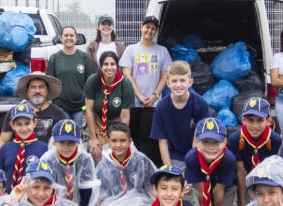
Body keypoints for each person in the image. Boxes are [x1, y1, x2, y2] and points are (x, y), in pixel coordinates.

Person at [120, 15, 171, 166]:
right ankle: (132, 169)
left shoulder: (162, 51)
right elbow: (126, 74)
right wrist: (140, 95)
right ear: (141, 28)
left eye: (153, 28)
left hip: (153, 104)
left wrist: (154, 95)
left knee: (148, 140)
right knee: (132, 138)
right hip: (134, 102)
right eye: (147, 27)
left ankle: (149, 171)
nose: (149, 30)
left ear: (156, 31)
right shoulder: (131, 49)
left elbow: (164, 77)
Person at [183, 117, 236, 206]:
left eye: (216, 142)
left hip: (225, 188)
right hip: (201, 188)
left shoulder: (228, 159)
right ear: (196, 141)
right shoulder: (191, 158)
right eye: (205, 142)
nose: (211, 148)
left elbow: (219, 191)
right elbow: (200, 191)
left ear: (225, 142)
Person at [150, 61, 209, 169]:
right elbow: (162, 142)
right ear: (168, 83)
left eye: (182, 80)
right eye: (174, 81)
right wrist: (169, 169)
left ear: (190, 82)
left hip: (197, 152)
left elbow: (198, 138)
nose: (178, 85)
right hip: (174, 156)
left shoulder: (200, 104)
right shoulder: (161, 107)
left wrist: (193, 164)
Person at [229, 97, 283, 206]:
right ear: (243, 120)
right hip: (245, 176)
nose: (255, 125)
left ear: (268, 121)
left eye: (260, 120)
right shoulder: (235, 139)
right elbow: (241, 171)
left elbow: (274, 171)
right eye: (250, 120)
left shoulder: (275, 140)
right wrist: (242, 203)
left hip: (267, 178)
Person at [93, 122, 158, 206]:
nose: (118, 145)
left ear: (130, 141)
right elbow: (100, 194)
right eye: (114, 141)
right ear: (108, 142)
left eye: (122, 140)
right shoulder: (104, 165)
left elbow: (151, 186)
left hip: (138, 205)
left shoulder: (141, 160)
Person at [84, 50, 134, 162]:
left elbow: (125, 115)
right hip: (96, 120)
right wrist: (93, 138)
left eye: (112, 64)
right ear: (101, 67)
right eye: (106, 64)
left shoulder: (125, 83)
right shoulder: (92, 80)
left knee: (116, 154)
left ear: (117, 66)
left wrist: (120, 139)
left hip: (116, 121)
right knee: (95, 152)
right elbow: (89, 110)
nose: (109, 67)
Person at [0, 73, 68, 150]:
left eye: (41, 87)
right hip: (20, 158)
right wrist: (3, 159)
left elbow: (66, 142)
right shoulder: (15, 112)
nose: (37, 91)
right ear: (27, 90)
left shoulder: (58, 113)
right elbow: (3, 141)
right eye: (33, 87)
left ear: (47, 90)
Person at [39, 119, 99, 206]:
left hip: (80, 205)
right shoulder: (48, 159)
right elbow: (47, 186)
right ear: (54, 142)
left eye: (71, 143)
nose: (66, 147)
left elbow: (86, 185)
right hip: (54, 205)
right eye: (62, 143)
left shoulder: (84, 158)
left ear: (78, 142)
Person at [0, 102, 49, 189]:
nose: (23, 128)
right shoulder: (6, 148)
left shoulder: (44, 148)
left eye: (27, 123)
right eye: (19, 124)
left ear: (34, 123)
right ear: (12, 125)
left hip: (33, 199)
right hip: (9, 198)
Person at [47, 26, 88, 124]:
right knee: (64, 135)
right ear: (61, 38)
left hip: (81, 107)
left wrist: (88, 106)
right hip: (61, 107)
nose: (69, 38)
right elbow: (49, 84)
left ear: (76, 38)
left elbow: (90, 83)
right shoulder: (54, 58)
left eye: (71, 35)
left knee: (78, 136)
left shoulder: (85, 57)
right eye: (66, 35)